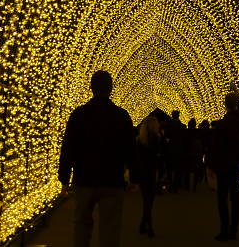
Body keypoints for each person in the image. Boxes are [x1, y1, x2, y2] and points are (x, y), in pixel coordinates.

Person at [58, 71, 135, 247]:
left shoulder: (78, 114)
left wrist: (64, 179)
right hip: (112, 180)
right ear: (111, 89)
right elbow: (130, 149)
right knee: (110, 228)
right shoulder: (121, 116)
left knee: (81, 225)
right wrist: (134, 177)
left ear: (91, 88)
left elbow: (68, 147)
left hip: (84, 179)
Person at [207, 92, 239, 241]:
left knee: (222, 198)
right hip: (236, 164)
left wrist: (210, 165)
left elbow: (215, 146)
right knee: (235, 198)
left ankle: (224, 230)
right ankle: (234, 231)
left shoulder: (222, 123)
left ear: (225, 105)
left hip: (223, 165)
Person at [130, 116, 162, 237]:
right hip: (152, 173)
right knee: (149, 201)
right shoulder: (157, 139)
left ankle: (143, 224)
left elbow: (135, 159)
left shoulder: (139, 140)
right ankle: (149, 227)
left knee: (146, 200)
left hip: (142, 173)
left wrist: (134, 177)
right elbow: (160, 159)